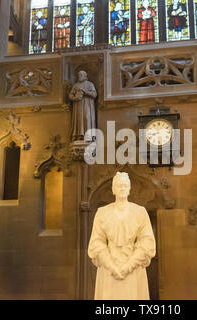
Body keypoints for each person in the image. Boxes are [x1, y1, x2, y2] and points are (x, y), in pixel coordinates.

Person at [88, 172, 156, 300]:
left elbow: (146, 242)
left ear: (129, 188)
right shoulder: (102, 213)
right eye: (119, 185)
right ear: (113, 189)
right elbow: (97, 242)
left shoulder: (140, 212)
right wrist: (111, 266)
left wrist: (129, 265)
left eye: (125, 185)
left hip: (133, 269)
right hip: (109, 269)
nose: (122, 188)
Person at [69, 71, 97, 141]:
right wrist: (75, 98)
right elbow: (70, 95)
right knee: (79, 120)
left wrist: (85, 92)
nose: (79, 76)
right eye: (78, 75)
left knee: (87, 118)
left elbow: (94, 94)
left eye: (81, 75)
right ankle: (79, 136)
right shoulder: (76, 85)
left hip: (88, 106)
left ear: (85, 76)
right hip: (78, 106)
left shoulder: (90, 84)